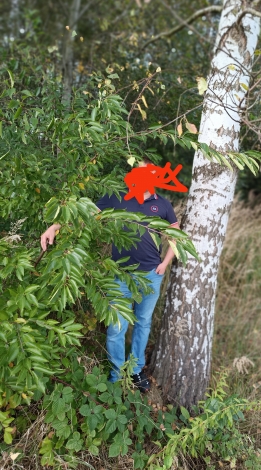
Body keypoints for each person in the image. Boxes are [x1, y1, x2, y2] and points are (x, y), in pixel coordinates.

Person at [40, 160, 180, 393]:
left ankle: (135, 371)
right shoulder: (117, 198)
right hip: (120, 275)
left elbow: (176, 235)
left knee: (143, 323)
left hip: (151, 275)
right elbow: (84, 215)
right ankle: (117, 375)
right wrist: (55, 227)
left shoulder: (162, 205)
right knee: (117, 327)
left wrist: (165, 263)